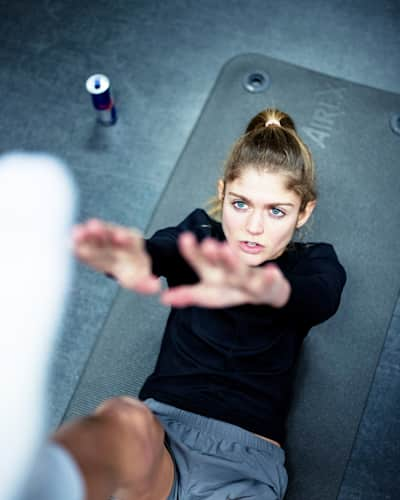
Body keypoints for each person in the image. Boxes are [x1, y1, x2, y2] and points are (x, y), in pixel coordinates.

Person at [52, 108, 346, 500]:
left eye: (276, 211)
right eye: (241, 204)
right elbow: (164, 250)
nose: (253, 228)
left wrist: (265, 288)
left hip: (244, 463)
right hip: (161, 438)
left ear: (304, 211)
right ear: (223, 192)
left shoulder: (312, 261)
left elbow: (322, 297)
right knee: (121, 415)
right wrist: (140, 256)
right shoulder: (199, 235)